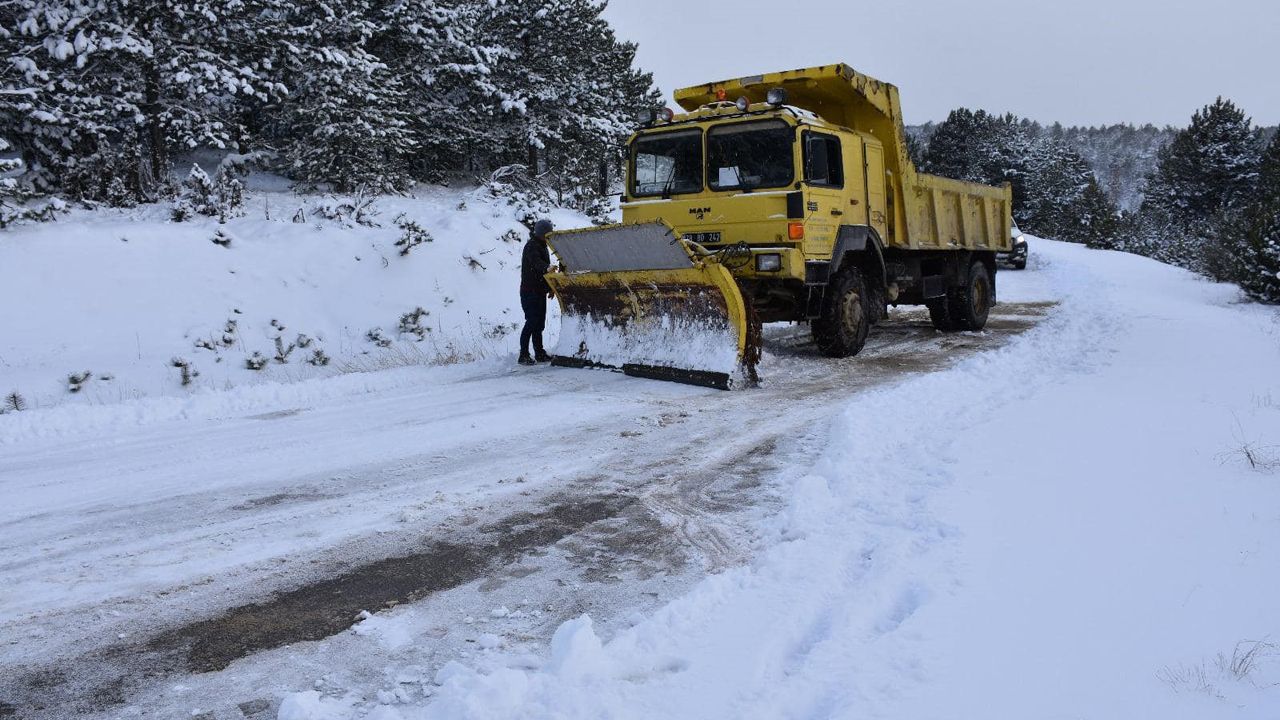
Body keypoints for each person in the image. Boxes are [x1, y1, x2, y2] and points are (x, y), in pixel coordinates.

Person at [518, 218, 555, 365]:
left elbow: (541, 273)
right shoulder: (532, 246)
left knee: (539, 324)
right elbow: (536, 264)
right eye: (547, 233)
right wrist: (547, 268)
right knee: (532, 322)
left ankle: (539, 352)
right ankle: (524, 354)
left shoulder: (542, 245)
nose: (549, 236)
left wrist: (550, 289)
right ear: (541, 233)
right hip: (529, 292)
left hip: (539, 291)